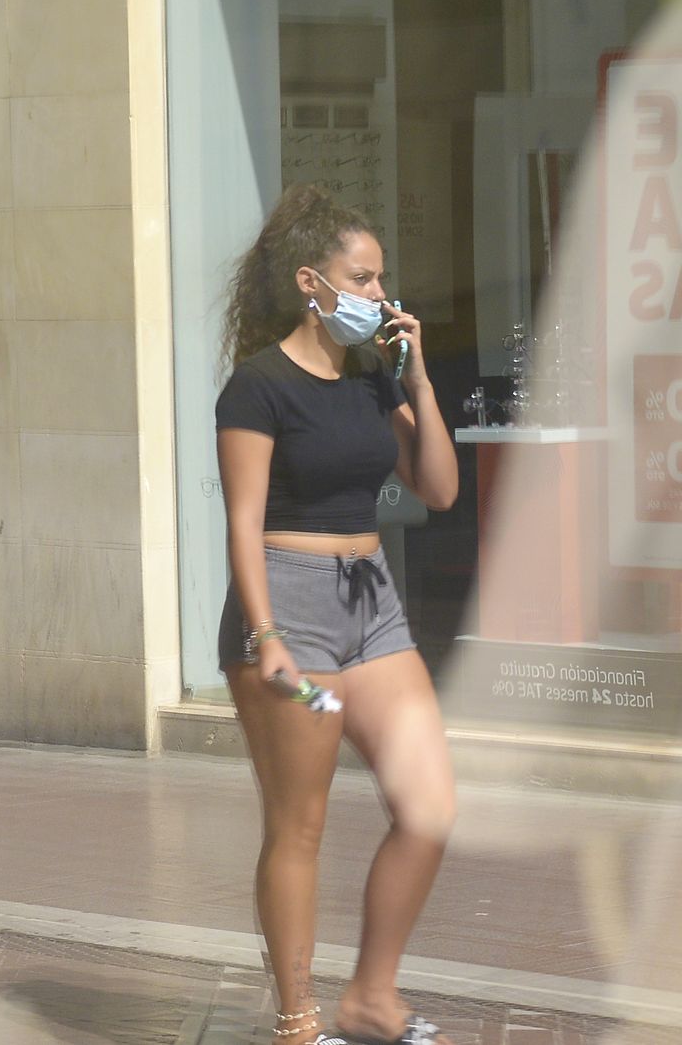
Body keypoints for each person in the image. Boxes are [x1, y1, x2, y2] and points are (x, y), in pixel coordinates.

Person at [214, 184, 460, 1045]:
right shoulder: (259, 385)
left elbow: (438, 488)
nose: (381, 299)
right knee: (301, 823)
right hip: (293, 617)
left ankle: (371, 997)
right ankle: (298, 1021)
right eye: (365, 280)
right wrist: (267, 633)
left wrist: (417, 376)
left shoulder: (371, 383)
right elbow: (243, 517)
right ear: (313, 283)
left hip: (373, 611)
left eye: (384, 281)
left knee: (427, 804)